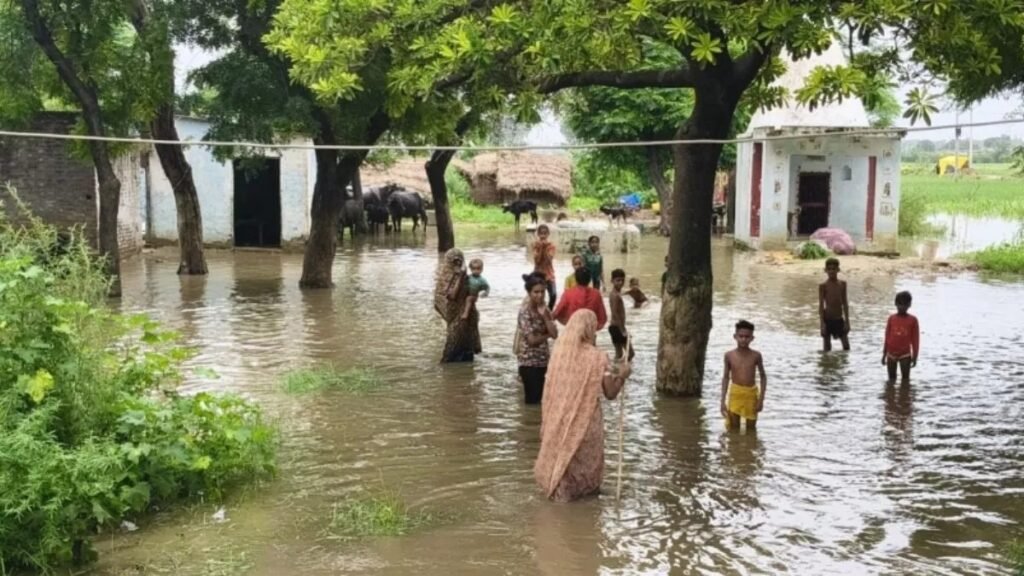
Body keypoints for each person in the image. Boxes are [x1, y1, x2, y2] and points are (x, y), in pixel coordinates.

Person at [534, 309, 631, 501]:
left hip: (558, 420)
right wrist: (622, 375)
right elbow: (610, 392)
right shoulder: (597, 357)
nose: (595, 334)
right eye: (594, 329)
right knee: (586, 466)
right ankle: (586, 506)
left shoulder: (558, 354)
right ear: (589, 329)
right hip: (586, 423)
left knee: (563, 462)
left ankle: (560, 500)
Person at [434, 248, 481, 362]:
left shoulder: (461, 277)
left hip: (460, 324)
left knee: (449, 361)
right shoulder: (454, 278)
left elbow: (450, 297)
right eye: (455, 261)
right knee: (463, 359)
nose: (458, 263)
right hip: (464, 322)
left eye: (459, 260)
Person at [517, 274, 559, 404]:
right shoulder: (524, 312)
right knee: (533, 403)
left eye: (542, 292)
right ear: (529, 293)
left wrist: (545, 316)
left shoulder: (545, 310)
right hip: (529, 363)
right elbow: (532, 341)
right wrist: (547, 335)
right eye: (536, 292)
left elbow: (555, 334)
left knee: (545, 401)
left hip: (544, 361)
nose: (540, 295)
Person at [720, 320, 768, 431]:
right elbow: (726, 378)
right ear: (735, 337)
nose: (743, 339)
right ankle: (735, 443)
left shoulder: (756, 355)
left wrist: (761, 400)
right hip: (735, 393)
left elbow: (763, 377)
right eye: (741, 336)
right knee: (733, 429)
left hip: (751, 394)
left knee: (751, 429)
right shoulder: (729, 355)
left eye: (747, 337)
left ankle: (749, 443)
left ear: (752, 338)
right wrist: (722, 401)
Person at [882, 291, 920, 383]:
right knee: (891, 380)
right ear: (895, 303)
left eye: (904, 305)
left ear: (909, 305)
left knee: (905, 380)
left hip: (905, 355)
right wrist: (884, 354)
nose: (902, 307)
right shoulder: (891, 318)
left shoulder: (913, 320)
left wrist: (915, 356)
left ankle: (905, 392)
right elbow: (887, 337)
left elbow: (915, 340)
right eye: (900, 304)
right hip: (891, 354)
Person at [818, 257, 850, 351]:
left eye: (833, 269)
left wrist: (847, 322)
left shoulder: (842, 284)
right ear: (826, 270)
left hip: (839, 319)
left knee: (846, 347)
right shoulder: (823, 286)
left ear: (838, 270)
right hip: (827, 320)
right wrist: (822, 324)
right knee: (827, 348)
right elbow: (821, 305)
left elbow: (845, 303)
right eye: (829, 269)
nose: (831, 271)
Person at [607, 269, 635, 362]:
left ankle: (615, 367)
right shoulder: (615, 295)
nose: (620, 283)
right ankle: (622, 368)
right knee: (631, 353)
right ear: (612, 281)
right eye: (618, 280)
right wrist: (622, 330)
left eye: (622, 280)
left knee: (618, 354)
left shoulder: (615, 293)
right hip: (617, 327)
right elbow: (615, 313)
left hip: (614, 327)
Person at [533, 224, 557, 309]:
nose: (543, 236)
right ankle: (538, 311)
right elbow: (537, 261)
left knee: (553, 295)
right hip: (538, 274)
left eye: (545, 233)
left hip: (549, 274)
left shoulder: (551, 246)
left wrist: (545, 248)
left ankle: (549, 311)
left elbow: (549, 260)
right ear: (538, 234)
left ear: (548, 234)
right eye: (541, 233)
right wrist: (541, 248)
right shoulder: (535, 245)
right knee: (538, 297)